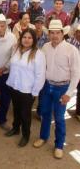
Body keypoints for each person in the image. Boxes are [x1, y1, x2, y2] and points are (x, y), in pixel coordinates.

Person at [33, 20, 80, 159]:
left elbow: (76, 73)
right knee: (45, 114)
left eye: (57, 33)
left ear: (62, 33)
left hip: (62, 87)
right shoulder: (45, 47)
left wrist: (69, 93)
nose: (54, 36)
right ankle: (43, 137)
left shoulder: (72, 50)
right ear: (49, 34)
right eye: (52, 33)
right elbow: (40, 67)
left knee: (59, 118)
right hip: (47, 86)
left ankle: (59, 145)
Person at [5, 28, 46, 147]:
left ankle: (26, 135)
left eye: (29, 38)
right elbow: (11, 63)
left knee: (25, 114)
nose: (26, 40)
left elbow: (40, 75)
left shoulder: (38, 54)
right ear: (21, 38)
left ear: (34, 40)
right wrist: (2, 68)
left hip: (28, 90)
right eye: (24, 37)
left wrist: (35, 92)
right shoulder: (16, 49)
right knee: (16, 111)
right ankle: (15, 128)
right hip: (14, 86)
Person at [66, 25, 80, 122]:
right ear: (75, 32)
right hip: (68, 70)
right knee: (65, 90)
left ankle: (78, 112)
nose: (79, 34)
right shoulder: (69, 42)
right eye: (78, 32)